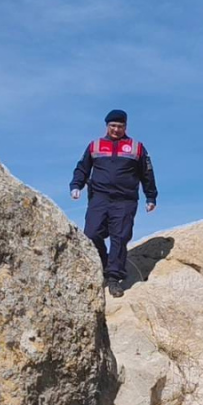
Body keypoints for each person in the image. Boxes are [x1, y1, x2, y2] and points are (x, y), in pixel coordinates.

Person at [70, 109, 158, 297]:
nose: (116, 129)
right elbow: (82, 168)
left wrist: (150, 197)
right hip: (99, 198)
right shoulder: (95, 146)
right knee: (92, 233)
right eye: (113, 126)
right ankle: (103, 262)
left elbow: (147, 174)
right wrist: (76, 185)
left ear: (125, 126)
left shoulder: (136, 147)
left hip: (125, 200)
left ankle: (113, 279)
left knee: (120, 237)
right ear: (107, 126)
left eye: (120, 126)